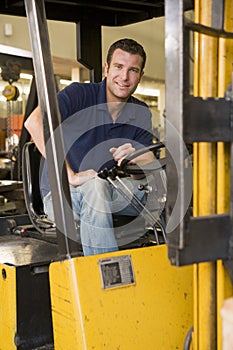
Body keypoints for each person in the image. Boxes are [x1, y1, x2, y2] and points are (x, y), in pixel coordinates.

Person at [25, 38, 155, 256]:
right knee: (96, 185)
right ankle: (101, 273)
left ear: (140, 76)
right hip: (65, 196)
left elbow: (148, 164)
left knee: (160, 188)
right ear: (106, 68)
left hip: (116, 191)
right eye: (118, 67)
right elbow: (35, 122)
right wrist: (72, 176)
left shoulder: (140, 112)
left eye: (133, 70)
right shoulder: (78, 95)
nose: (124, 77)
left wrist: (137, 158)